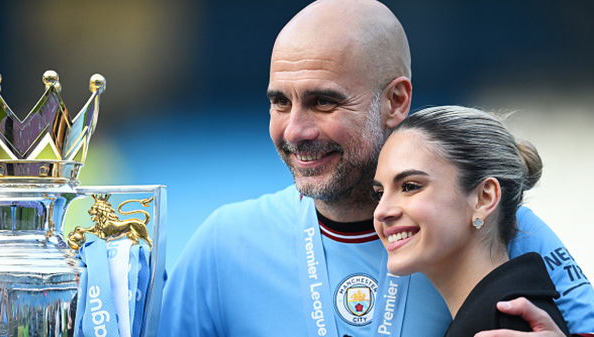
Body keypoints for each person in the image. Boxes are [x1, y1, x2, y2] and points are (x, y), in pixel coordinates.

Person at [160, 0, 594, 336]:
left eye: (323, 101)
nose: (295, 130)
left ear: (395, 102)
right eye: (280, 103)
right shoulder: (223, 244)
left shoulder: (493, 226)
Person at [372, 106, 570, 335]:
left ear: (484, 198)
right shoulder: (502, 311)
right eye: (379, 194)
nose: (381, 211)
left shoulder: (505, 322)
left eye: (410, 187)